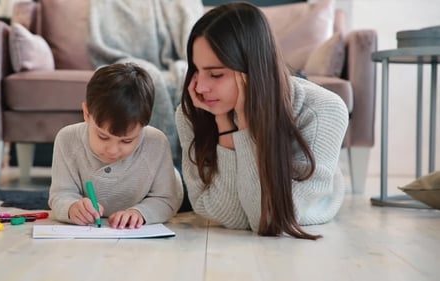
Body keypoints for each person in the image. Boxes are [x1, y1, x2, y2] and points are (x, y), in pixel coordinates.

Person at [175, 3, 349, 240]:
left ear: (253, 70)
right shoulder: (193, 112)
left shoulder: (323, 110)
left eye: (216, 74)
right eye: (196, 70)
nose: (201, 87)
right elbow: (231, 216)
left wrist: (246, 124)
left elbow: (267, 218)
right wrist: (224, 124)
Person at [49, 63, 183, 229]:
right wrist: (72, 208)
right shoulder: (67, 139)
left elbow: (166, 200)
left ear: (144, 124)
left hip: (168, 190)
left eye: (127, 141)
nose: (112, 151)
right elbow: (59, 195)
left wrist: (140, 213)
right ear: (87, 113)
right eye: (103, 136)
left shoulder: (156, 143)